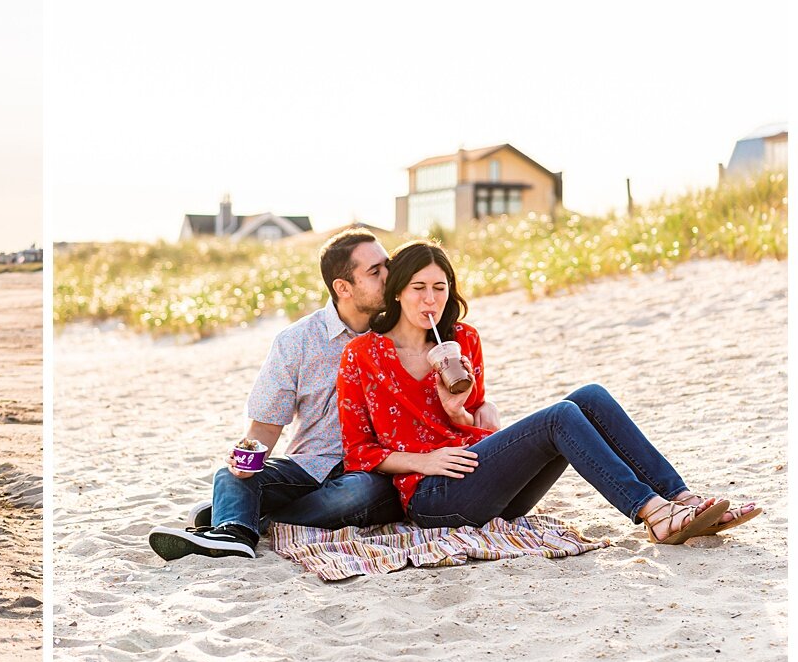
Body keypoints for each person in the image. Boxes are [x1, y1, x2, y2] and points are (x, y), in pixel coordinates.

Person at [337, 240, 762, 544]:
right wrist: (425, 460)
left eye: (440, 288)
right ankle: (653, 512)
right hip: (433, 498)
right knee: (559, 416)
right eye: (418, 288)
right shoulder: (361, 355)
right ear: (397, 292)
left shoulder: (463, 339)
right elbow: (359, 452)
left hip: (488, 483)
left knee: (590, 396)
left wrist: (457, 412)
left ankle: (683, 498)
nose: (431, 299)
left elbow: (473, 424)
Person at [148, 229, 422, 561]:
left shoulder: (400, 331)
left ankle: (256, 515)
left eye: (387, 265)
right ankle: (234, 532)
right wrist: (246, 461)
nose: (389, 277)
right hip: (309, 465)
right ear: (343, 287)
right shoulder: (297, 341)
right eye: (375, 271)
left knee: (357, 493)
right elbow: (264, 425)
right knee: (230, 474)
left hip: (369, 470)